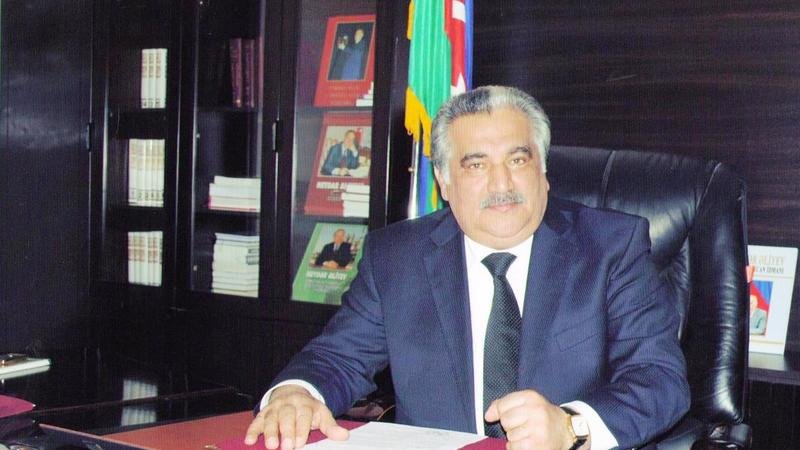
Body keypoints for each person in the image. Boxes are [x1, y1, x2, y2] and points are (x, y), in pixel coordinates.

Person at [245, 86, 690, 450]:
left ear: (543, 170)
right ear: (444, 181)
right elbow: (337, 357)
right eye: (476, 165)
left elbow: (659, 380)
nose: (502, 183)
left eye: (518, 160)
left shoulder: (609, 247)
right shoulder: (396, 257)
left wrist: (572, 427)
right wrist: (296, 392)